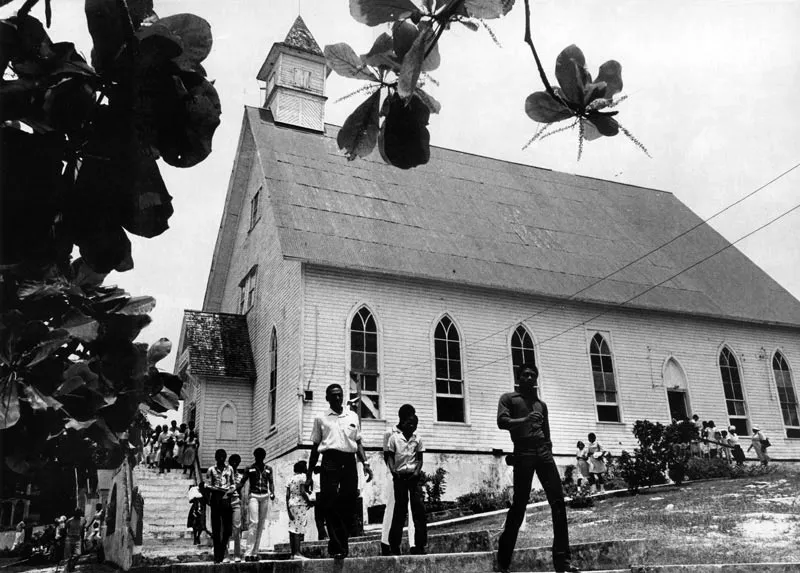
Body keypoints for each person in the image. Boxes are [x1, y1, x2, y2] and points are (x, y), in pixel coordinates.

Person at [496, 363, 578, 573]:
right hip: (523, 452)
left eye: (533, 375)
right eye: (525, 375)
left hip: (543, 452)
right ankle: (503, 560)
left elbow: (547, 434)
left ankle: (563, 561)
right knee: (519, 505)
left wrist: (548, 451)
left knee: (558, 503)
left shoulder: (541, 405)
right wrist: (525, 419)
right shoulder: (509, 399)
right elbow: (502, 422)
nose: (530, 378)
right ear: (519, 377)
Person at [306, 383, 374, 559]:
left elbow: (358, 443)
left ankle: (341, 543)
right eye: (333, 395)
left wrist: (366, 464)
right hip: (330, 461)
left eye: (339, 395)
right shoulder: (321, 418)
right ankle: (336, 546)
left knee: (349, 501)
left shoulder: (351, 416)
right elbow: (315, 448)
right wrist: (308, 475)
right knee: (329, 502)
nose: (337, 398)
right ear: (327, 398)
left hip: (349, 461)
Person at [386, 408, 427, 555]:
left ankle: (420, 545)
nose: (412, 426)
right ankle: (394, 545)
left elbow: (420, 459)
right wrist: (393, 471)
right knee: (399, 511)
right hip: (400, 478)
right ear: (402, 423)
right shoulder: (394, 438)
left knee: (419, 510)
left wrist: (417, 472)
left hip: (414, 478)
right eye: (409, 423)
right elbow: (390, 457)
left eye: (415, 424)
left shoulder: (418, 439)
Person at [381, 405, 417, 556]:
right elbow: (386, 455)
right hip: (395, 475)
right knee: (392, 507)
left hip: (410, 475)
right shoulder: (390, 433)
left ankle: (413, 543)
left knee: (412, 508)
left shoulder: (413, 433)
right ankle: (386, 542)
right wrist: (394, 472)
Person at [239, 447, 275, 560]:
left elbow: (271, 482)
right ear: (255, 456)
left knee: (260, 525)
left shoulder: (268, 468)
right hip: (254, 496)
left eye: (261, 456)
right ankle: (248, 552)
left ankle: (255, 552)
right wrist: (235, 489)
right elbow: (242, 481)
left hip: (265, 496)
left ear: (264, 457)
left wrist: (273, 493)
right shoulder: (249, 468)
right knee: (254, 522)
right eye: (257, 456)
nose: (259, 458)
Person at [205, 448, 236, 563]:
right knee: (216, 528)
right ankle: (217, 556)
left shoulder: (230, 469)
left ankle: (222, 550)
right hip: (216, 497)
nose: (221, 459)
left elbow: (233, 484)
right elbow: (207, 485)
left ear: (225, 457)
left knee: (228, 529)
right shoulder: (211, 470)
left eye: (223, 457)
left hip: (227, 497)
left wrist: (228, 493)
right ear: (216, 458)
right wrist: (210, 497)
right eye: (219, 457)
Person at [286, 460, 313, 560]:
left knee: (292, 529)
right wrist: (309, 502)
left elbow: (287, 495)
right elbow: (302, 491)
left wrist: (288, 509)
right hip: (300, 504)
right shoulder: (302, 477)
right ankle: (297, 552)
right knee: (298, 528)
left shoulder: (291, 478)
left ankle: (293, 553)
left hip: (291, 504)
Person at [227, 454, 244, 562]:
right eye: (232, 462)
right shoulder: (225, 474)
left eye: (236, 462)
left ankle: (237, 554)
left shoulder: (240, 477)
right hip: (225, 502)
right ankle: (225, 554)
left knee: (237, 528)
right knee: (225, 529)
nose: (234, 464)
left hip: (236, 501)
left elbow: (241, 491)